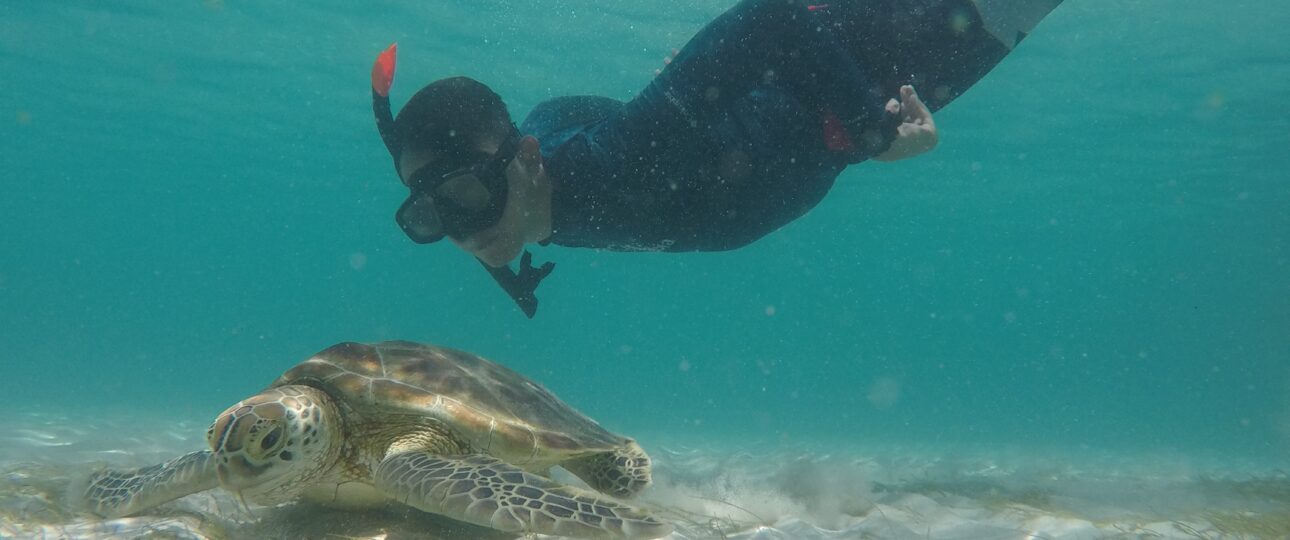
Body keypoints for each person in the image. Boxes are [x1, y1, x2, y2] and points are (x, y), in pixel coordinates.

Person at [370, 0, 1063, 316]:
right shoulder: (522, 180)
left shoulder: (627, 154)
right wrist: (507, 266)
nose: (462, 232)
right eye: (430, 213)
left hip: (873, 58)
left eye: (465, 196)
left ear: (524, 159)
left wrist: (873, 134)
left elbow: (774, 18)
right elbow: (553, 120)